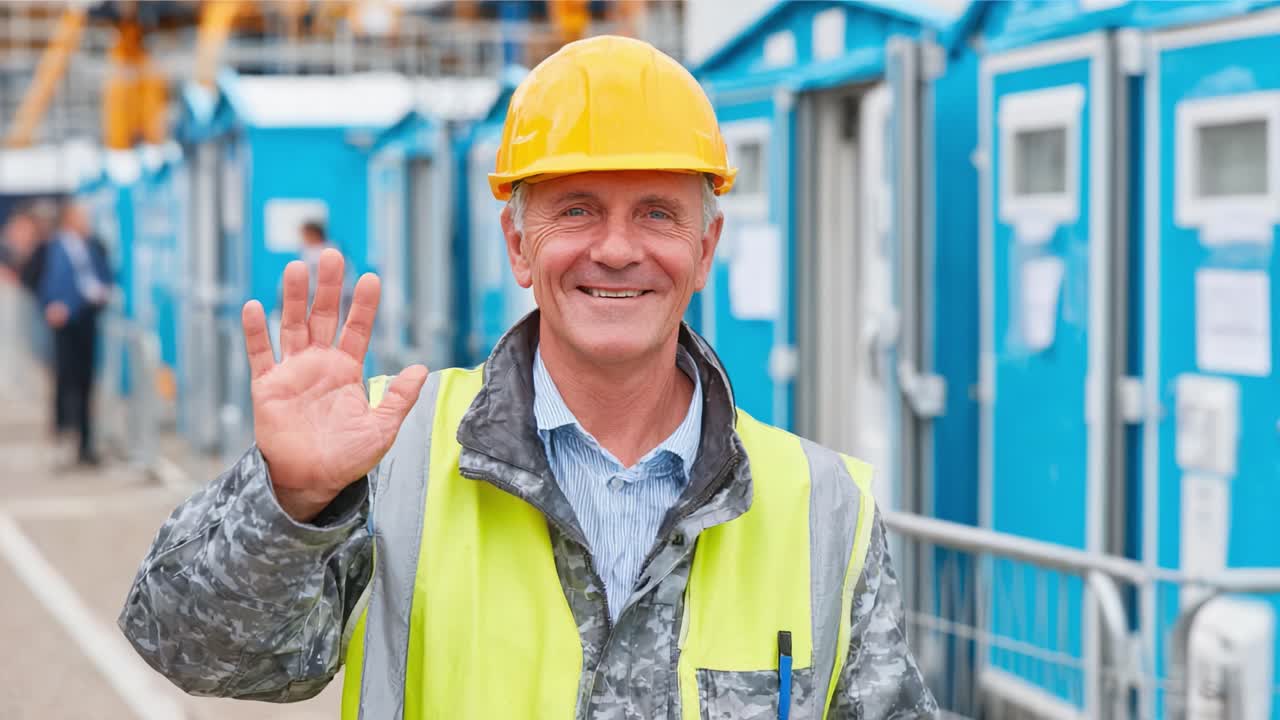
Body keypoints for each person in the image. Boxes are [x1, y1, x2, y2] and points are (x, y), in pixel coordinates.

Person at [120, 36, 937, 718]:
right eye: (577, 209)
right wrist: (291, 503)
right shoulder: (389, 456)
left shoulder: (823, 508)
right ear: (518, 246)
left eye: (656, 212)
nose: (616, 249)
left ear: (704, 249)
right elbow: (190, 647)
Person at [38, 201, 112, 465]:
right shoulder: (53, 248)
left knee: (85, 381)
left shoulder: (93, 246)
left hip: (85, 318)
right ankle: (64, 434)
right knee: (65, 380)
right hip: (63, 322)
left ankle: (85, 443)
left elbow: (105, 275)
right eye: (82, 217)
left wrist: (102, 292)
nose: (86, 222)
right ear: (70, 219)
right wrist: (51, 305)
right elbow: (40, 280)